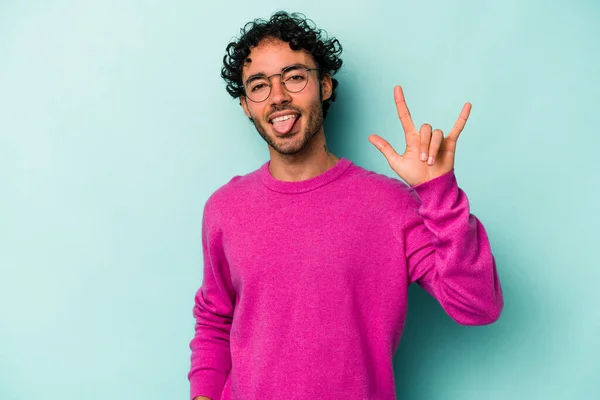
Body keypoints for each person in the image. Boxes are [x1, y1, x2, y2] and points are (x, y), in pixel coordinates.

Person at [188, 10, 503, 400]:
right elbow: (215, 319)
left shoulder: (390, 205)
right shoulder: (225, 209)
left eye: (295, 77)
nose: (279, 96)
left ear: (324, 85)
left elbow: (478, 305)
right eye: (258, 85)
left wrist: (438, 193)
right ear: (246, 105)